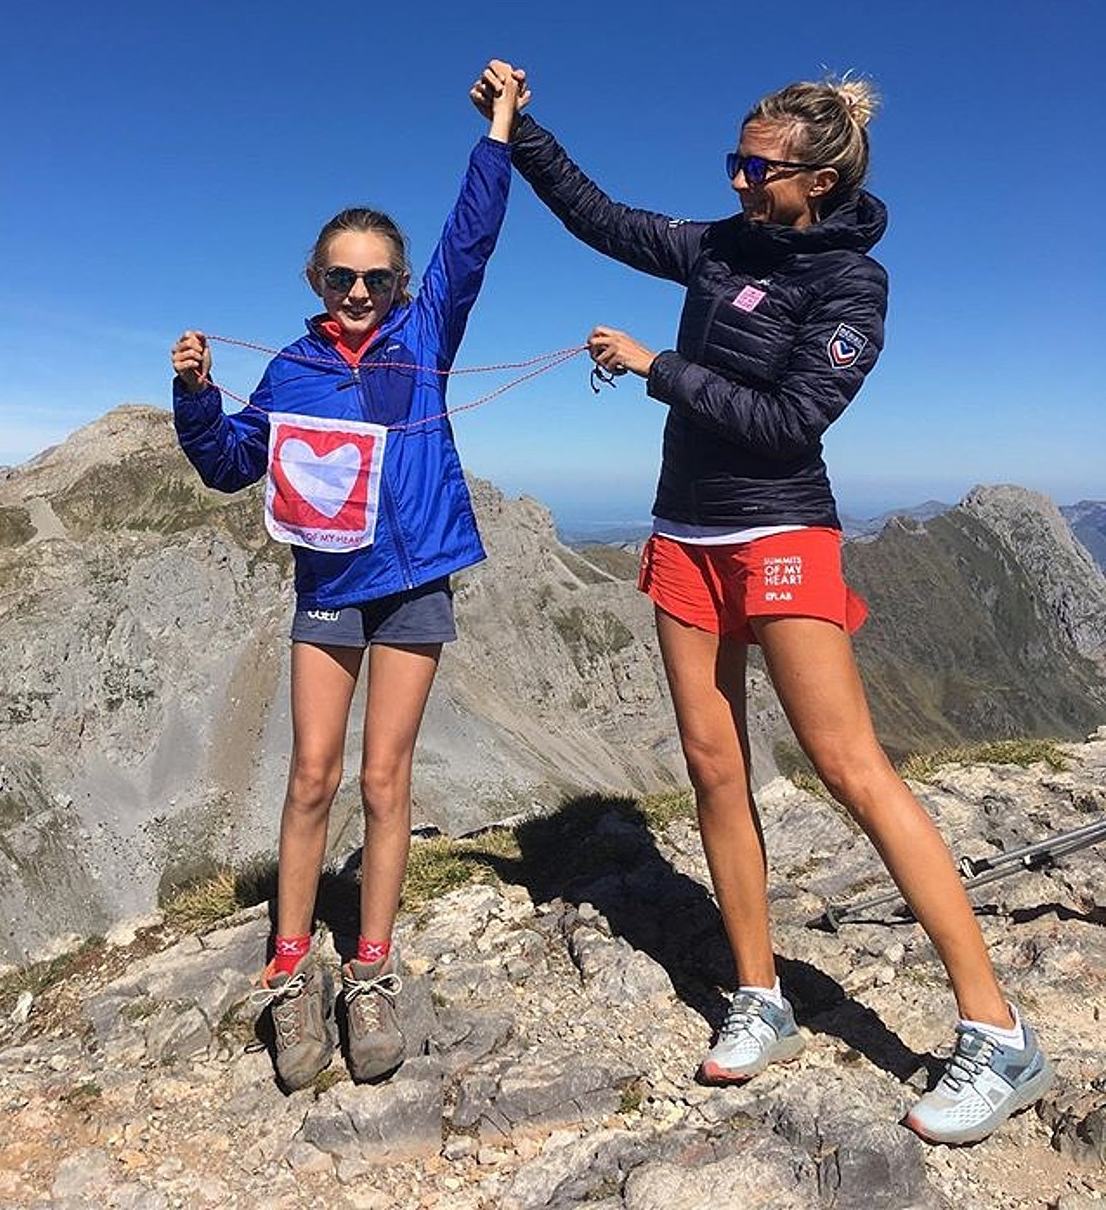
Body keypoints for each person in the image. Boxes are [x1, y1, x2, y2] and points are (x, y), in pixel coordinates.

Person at [470, 61, 1053, 1145]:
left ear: (818, 180)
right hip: (685, 533)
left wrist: (657, 366)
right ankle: (760, 993)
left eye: (756, 166)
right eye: (732, 161)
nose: (737, 180)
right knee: (711, 762)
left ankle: (999, 1032)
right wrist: (523, 126)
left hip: (780, 527)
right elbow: (601, 217)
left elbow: (789, 422)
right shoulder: (719, 242)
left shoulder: (852, 287)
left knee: (849, 766)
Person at [171, 68, 525, 1092]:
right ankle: (292, 972)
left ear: (402, 282)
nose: (360, 293)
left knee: (384, 777)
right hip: (329, 581)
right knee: (312, 774)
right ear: (316, 282)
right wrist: (196, 397)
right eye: (341, 278)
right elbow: (234, 462)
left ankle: (369, 967)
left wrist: (499, 130)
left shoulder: (425, 335)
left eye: (377, 277)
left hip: (414, 578)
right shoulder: (287, 366)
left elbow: (473, 235)